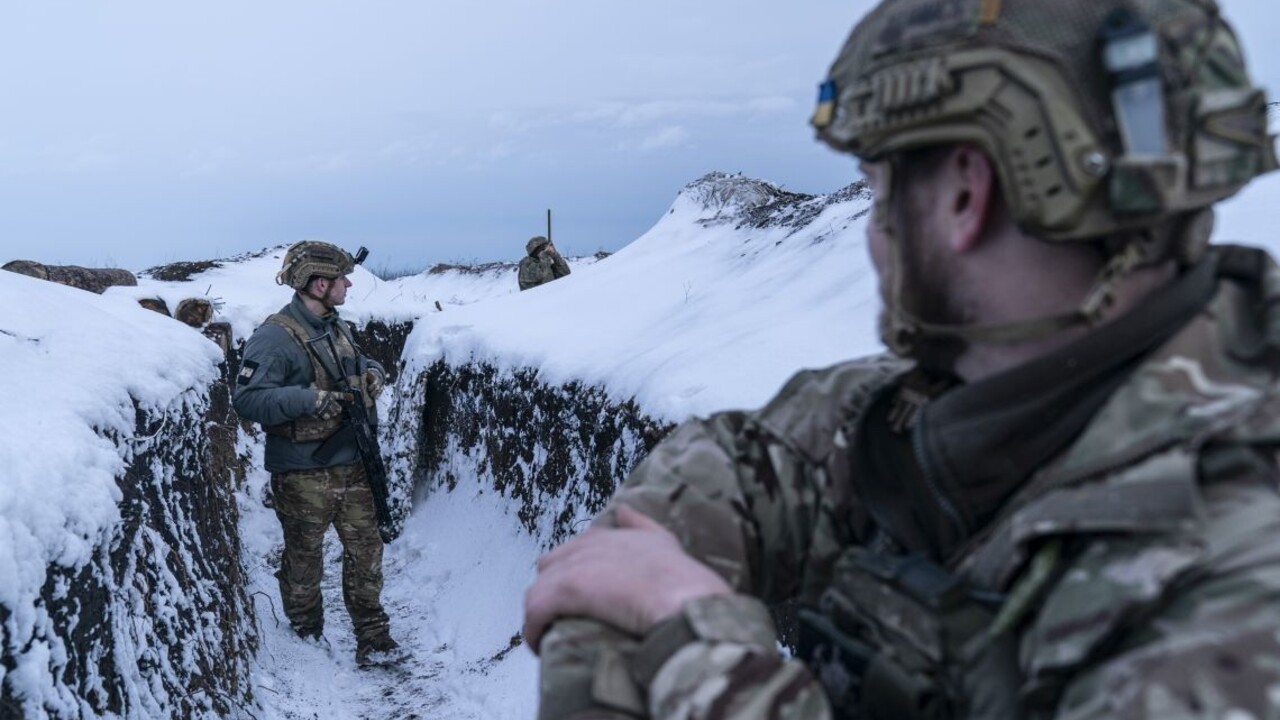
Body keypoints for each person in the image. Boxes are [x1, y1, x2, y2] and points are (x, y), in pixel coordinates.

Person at [523, 1, 1280, 717]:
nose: (875, 233)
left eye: (880, 192)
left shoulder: (1239, 587)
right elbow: (734, 466)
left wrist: (691, 642)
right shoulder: (979, 405)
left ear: (963, 197)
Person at [233, 240, 404, 668]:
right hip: (303, 473)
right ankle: (305, 632)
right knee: (304, 559)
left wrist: (373, 373)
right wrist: (309, 399)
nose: (348, 284)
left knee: (367, 552)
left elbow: (360, 360)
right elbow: (248, 400)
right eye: (342, 278)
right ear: (319, 282)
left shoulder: (335, 325)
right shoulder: (274, 337)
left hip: (354, 463)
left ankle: (373, 635)